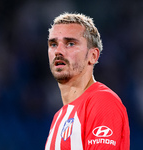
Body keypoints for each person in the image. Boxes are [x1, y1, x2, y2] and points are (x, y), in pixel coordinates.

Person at [45, 12, 130, 150]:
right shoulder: (59, 116)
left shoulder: (102, 101)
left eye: (70, 43)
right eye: (53, 44)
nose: (58, 51)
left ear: (93, 56)